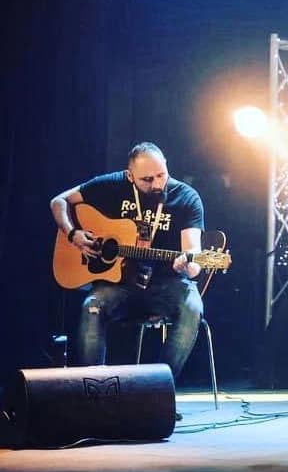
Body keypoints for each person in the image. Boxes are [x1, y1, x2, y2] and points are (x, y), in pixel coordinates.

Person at [49, 142, 205, 382]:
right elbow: (58, 202)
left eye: (161, 175)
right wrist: (73, 234)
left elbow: (194, 257)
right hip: (119, 284)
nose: (157, 184)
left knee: (192, 307)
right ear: (130, 176)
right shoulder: (113, 184)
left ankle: (158, 388)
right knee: (92, 306)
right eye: (147, 179)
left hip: (165, 284)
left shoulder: (186, 197)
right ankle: (96, 390)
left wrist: (189, 262)